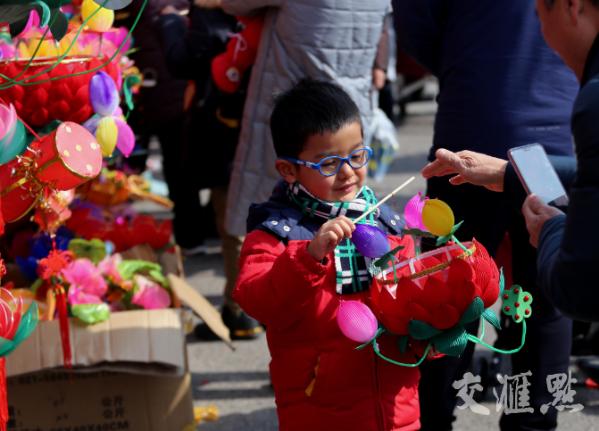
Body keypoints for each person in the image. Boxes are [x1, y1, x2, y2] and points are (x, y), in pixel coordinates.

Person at [392, 1, 579, 430]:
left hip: (470, 124)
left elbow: (416, 27)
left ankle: (434, 417)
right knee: (541, 299)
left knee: (447, 297)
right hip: (551, 134)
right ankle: (531, 422)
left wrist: (469, 54)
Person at [234, 80, 420, 431]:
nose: (349, 172)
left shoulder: (385, 220)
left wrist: (434, 322)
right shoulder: (276, 233)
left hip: (397, 405)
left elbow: (407, 304)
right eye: (329, 164)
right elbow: (256, 299)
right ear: (289, 170)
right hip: (318, 407)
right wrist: (309, 256)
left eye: (357, 155)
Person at [421, 0, 599, 323]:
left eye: (538, 17)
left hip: (470, 116)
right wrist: (505, 173)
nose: (540, 37)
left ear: (572, 7)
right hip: (510, 148)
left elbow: (579, 286)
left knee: (450, 319)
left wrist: (553, 230)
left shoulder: (594, 104)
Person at [194, 0, 392, 238]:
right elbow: (386, 36)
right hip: (350, 109)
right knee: (348, 212)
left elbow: (232, 4)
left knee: (274, 225)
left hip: (296, 115)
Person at [158, 1, 263, 338]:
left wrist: (171, 24)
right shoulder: (258, 12)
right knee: (241, 215)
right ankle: (244, 306)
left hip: (227, 129)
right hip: (250, 122)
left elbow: (184, 60)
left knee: (232, 217)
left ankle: (241, 310)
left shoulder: (219, 14)